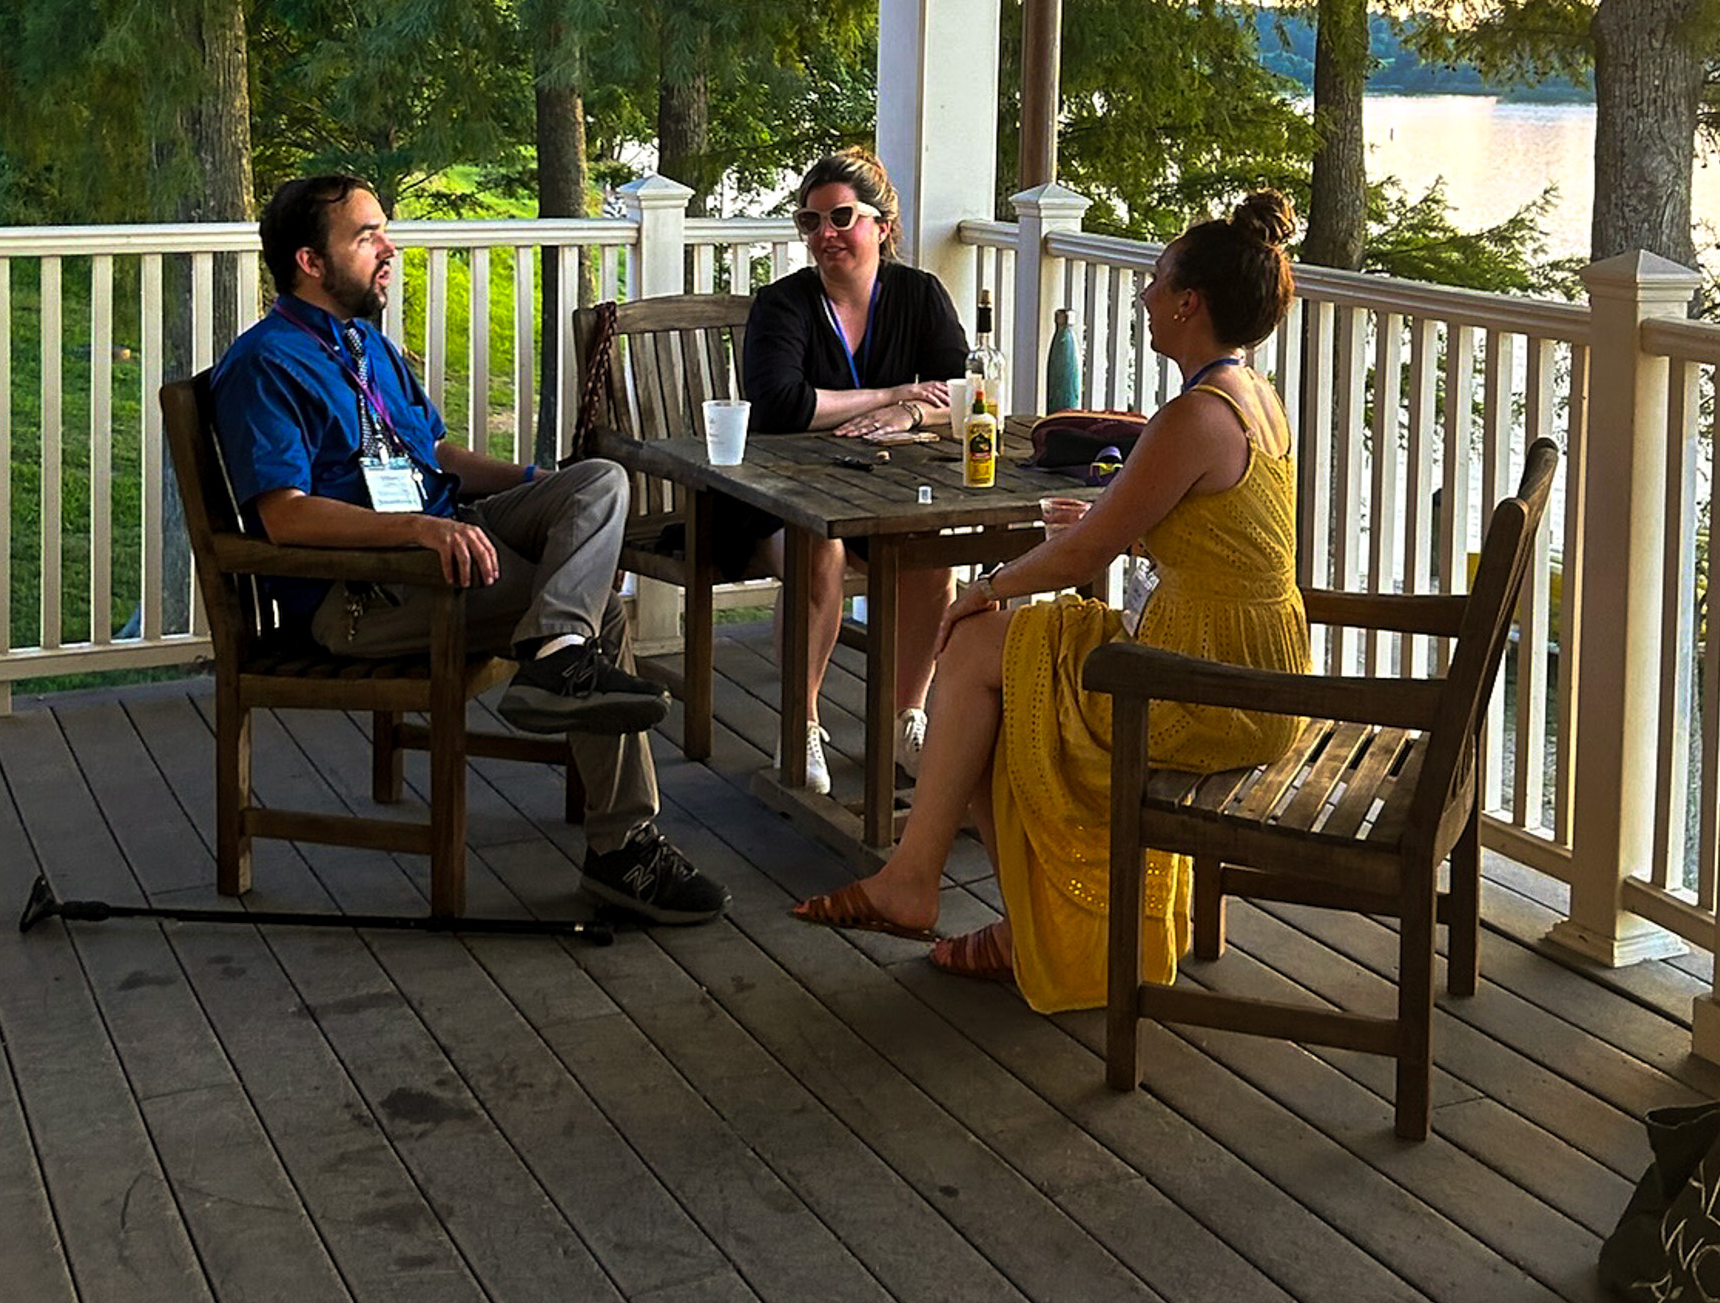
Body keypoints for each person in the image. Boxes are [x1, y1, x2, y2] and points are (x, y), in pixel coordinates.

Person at [792, 190, 1311, 1010]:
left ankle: (935, 890)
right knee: (984, 668)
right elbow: (1203, 538)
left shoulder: (1197, 414)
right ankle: (960, 898)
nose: (1143, 295)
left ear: (1189, 302)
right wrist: (1113, 530)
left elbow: (1088, 552)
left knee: (980, 657)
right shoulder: (1251, 395)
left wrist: (991, 585)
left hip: (1210, 684)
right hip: (1242, 656)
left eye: (1157, 279)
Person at [210, 173, 728, 926]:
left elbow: (438, 455)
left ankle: (555, 657)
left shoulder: (366, 345)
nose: (389, 248)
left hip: (450, 548)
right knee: (599, 618)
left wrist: (531, 480)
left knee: (598, 484)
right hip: (362, 594)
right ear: (309, 263)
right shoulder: (267, 364)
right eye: (366, 236)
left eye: (383, 229)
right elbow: (284, 516)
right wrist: (419, 529)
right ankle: (622, 848)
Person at [720, 148, 969, 795]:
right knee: (817, 550)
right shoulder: (784, 304)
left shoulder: (919, 294)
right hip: (771, 496)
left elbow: (961, 389)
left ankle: (904, 719)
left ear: (882, 226)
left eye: (841, 217)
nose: (824, 234)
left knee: (933, 555)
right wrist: (895, 396)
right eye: (810, 222)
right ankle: (799, 725)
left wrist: (913, 418)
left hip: (878, 488)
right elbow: (780, 404)